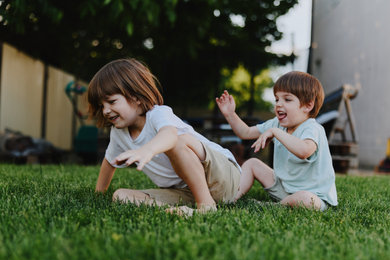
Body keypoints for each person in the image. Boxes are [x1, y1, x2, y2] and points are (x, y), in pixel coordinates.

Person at [88, 58, 240, 216]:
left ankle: (206, 206)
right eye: (102, 105)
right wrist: (99, 195)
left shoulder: (158, 114)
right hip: (186, 191)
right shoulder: (118, 133)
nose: (105, 110)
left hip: (223, 177)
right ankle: (179, 210)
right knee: (121, 196)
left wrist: (147, 150)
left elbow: (169, 136)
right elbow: (109, 162)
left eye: (111, 102)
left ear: (136, 97)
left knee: (176, 141)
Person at [216, 71, 337, 211]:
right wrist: (230, 114)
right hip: (284, 188)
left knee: (305, 199)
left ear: (307, 106)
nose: (279, 104)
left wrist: (276, 133)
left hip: (314, 195)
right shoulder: (277, 124)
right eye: (277, 99)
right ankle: (232, 198)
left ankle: (273, 207)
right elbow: (245, 132)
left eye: (287, 99)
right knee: (252, 163)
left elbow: (304, 151)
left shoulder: (312, 128)